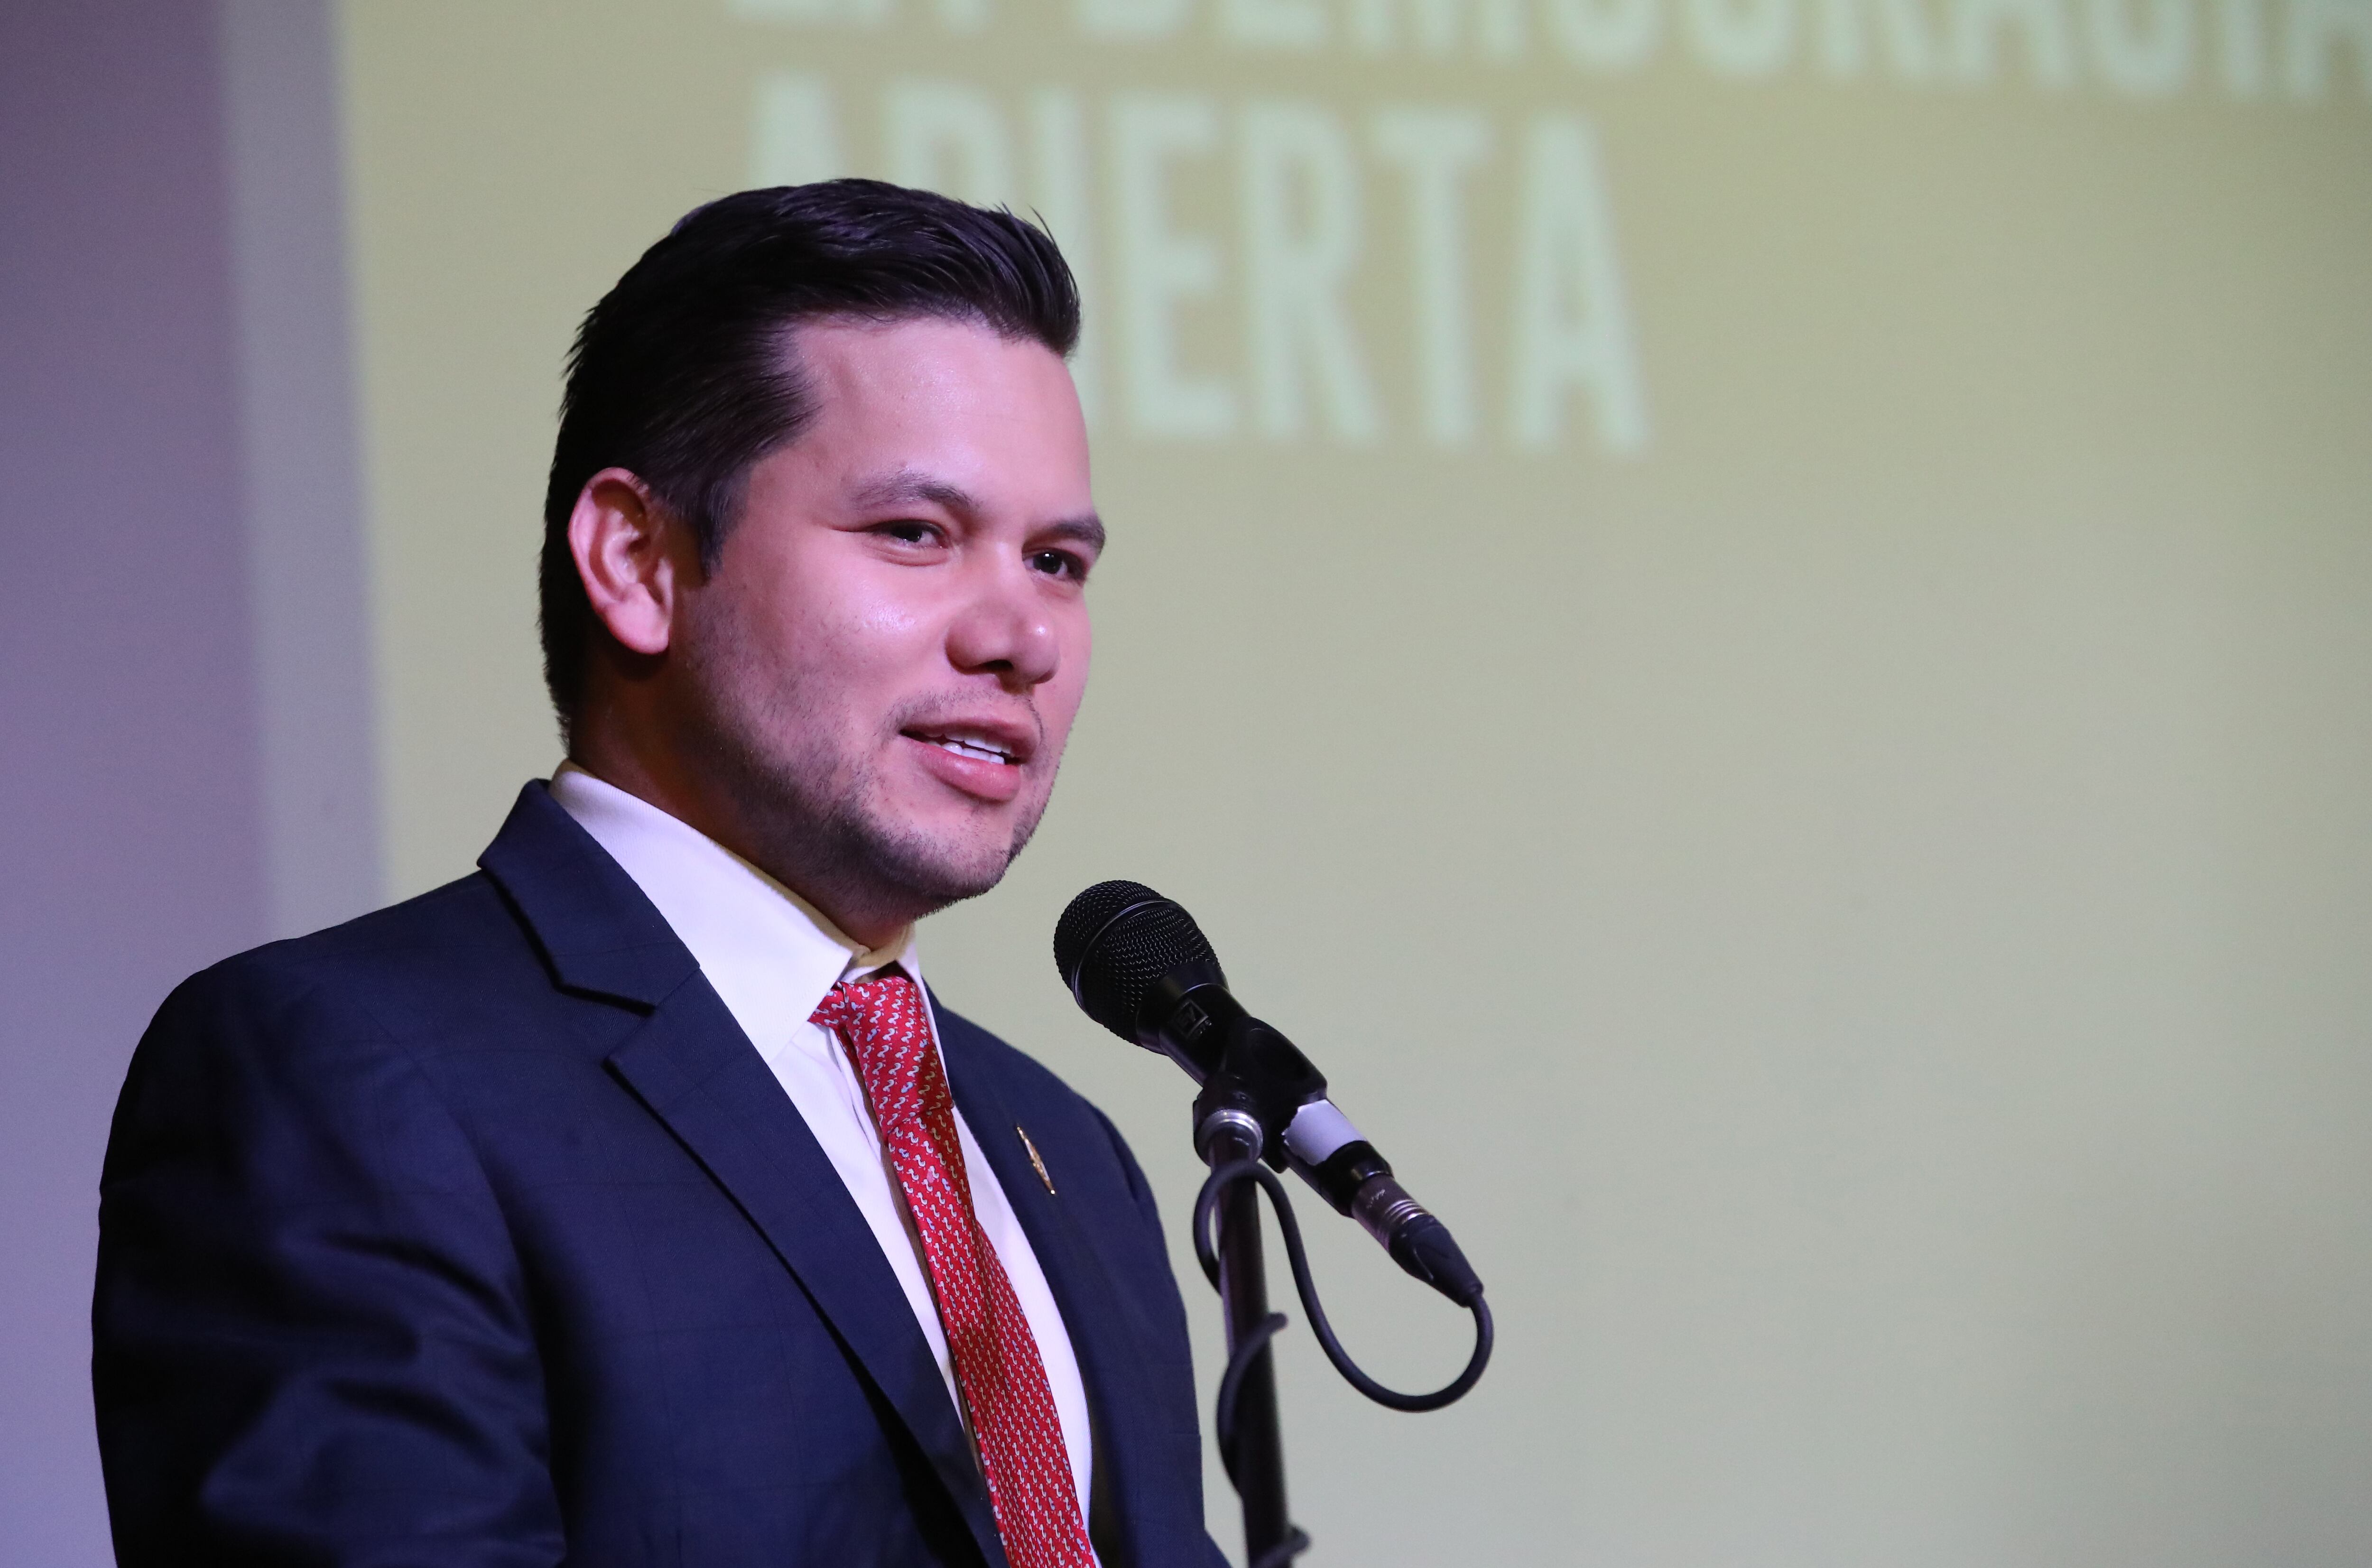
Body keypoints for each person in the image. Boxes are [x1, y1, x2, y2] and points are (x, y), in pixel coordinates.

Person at [93, 180, 1223, 1568]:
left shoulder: (1068, 1156)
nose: (1021, 635)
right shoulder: (343, 1073)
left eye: (1058, 561)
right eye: (918, 534)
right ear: (636, 559)